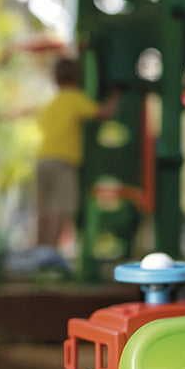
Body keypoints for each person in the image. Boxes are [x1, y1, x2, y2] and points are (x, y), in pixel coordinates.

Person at [35, 57, 122, 254]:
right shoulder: (74, 98)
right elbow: (103, 113)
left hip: (42, 159)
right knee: (60, 207)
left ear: (55, 79)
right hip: (63, 161)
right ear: (76, 77)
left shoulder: (52, 103)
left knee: (43, 209)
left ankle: (39, 252)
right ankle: (50, 252)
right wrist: (117, 93)